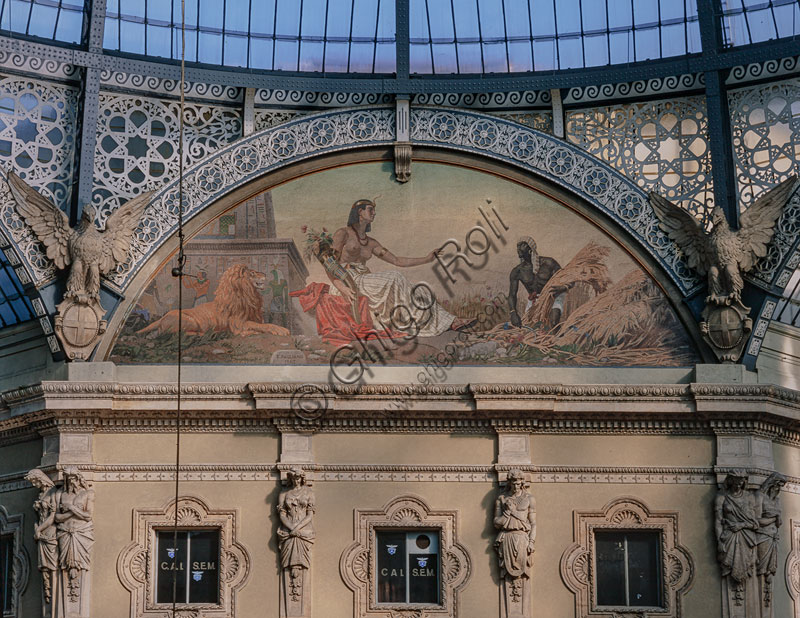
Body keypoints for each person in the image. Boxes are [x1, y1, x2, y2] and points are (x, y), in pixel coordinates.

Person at [327, 199, 473, 335]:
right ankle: (448, 322)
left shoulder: (371, 242)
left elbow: (397, 260)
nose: (374, 213)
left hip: (363, 279)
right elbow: (329, 264)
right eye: (370, 210)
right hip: (348, 281)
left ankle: (450, 322)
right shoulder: (343, 233)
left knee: (420, 290)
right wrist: (341, 287)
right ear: (359, 212)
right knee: (395, 277)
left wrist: (427, 259)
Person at [715, 470, 759, 605]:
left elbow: (755, 524)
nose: (739, 483)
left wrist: (740, 525)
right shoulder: (721, 497)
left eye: (741, 480)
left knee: (745, 563)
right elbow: (718, 521)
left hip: (746, 537)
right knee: (729, 561)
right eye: (736, 480)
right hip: (728, 537)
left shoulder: (749, 497)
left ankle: (740, 585)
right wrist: (719, 542)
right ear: (730, 480)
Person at [54, 467, 95, 602]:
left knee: (80, 563)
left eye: (74, 479)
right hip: (64, 532)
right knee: (65, 564)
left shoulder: (88, 493)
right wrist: (75, 512)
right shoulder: (61, 493)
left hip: (81, 533)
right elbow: (57, 518)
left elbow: (88, 516)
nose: (72, 483)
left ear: (79, 479)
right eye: (69, 479)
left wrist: (71, 508)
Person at [277, 467, 315, 599]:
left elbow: (310, 515)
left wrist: (297, 528)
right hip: (288, 531)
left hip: (303, 531)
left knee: (302, 559)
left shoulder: (309, 492)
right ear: (291, 479)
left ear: (302, 478)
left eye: (298, 478)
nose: (296, 480)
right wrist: (291, 528)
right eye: (294, 478)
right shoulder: (284, 493)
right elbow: (282, 515)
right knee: (287, 560)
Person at [508, 236, 563, 327]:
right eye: (517, 246)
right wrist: (513, 312)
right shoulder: (517, 271)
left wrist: (561, 288)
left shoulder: (549, 263)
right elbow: (512, 295)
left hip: (553, 297)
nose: (518, 249)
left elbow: (568, 281)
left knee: (553, 322)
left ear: (530, 248)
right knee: (530, 327)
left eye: (522, 245)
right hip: (535, 300)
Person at [494, 469, 536, 584]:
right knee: (508, 567)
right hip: (507, 536)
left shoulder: (529, 499)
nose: (515, 486)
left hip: (522, 537)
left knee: (522, 567)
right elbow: (496, 523)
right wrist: (507, 513)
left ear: (522, 483)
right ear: (509, 483)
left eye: (518, 483)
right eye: (513, 483)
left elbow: (533, 523)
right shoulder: (501, 499)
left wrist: (532, 542)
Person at [25, 469, 59, 604]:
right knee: (43, 566)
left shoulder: (53, 493)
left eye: (34, 481)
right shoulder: (41, 494)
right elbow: (40, 516)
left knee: (52, 565)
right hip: (40, 532)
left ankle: (54, 593)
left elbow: (52, 516)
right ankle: (47, 589)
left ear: (41, 479)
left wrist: (39, 528)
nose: (34, 484)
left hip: (49, 532)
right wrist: (36, 527)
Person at [756, 472, 786, 604]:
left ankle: (766, 594)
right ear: (771, 484)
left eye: (780, 487)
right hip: (763, 537)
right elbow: (756, 521)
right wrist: (774, 518)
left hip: (774, 537)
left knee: (771, 569)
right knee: (761, 568)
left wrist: (776, 520)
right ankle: (762, 597)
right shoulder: (760, 497)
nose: (778, 489)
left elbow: (779, 523)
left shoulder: (777, 501)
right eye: (777, 485)